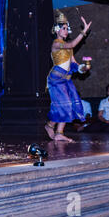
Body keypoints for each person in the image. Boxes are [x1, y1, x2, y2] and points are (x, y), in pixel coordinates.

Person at [44, 10, 92, 142]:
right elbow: (71, 44)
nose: (66, 31)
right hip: (56, 80)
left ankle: (57, 131)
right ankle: (51, 126)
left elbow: (74, 64)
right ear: (57, 30)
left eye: (67, 28)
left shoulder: (68, 48)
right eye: (63, 28)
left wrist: (83, 68)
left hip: (66, 80)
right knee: (63, 105)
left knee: (68, 105)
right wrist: (83, 32)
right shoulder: (57, 44)